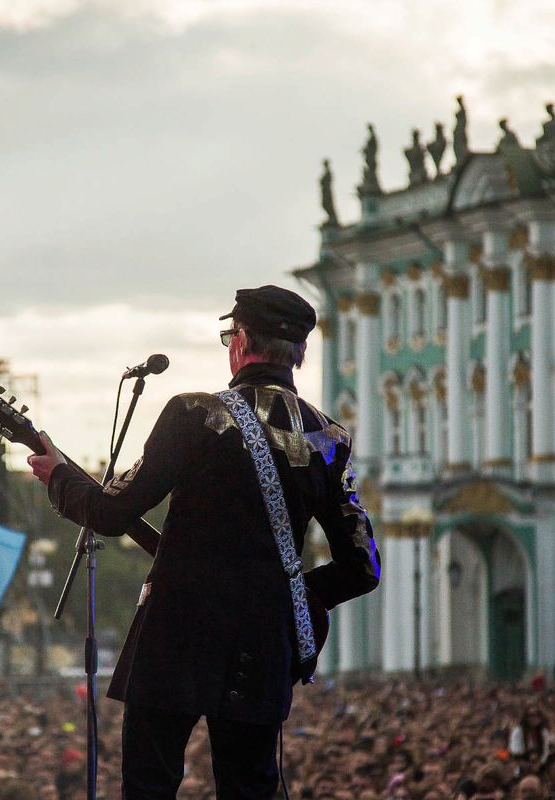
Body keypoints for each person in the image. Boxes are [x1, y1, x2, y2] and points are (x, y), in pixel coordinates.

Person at [27, 285, 381, 799]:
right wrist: (288, 599)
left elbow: (110, 512)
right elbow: (362, 566)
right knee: (251, 788)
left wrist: (59, 476)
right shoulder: (329, 438)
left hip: (176, 635)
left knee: (150, 784)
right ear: (299, 353)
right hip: (263, 647)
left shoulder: (195, 414)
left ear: (241, 342)